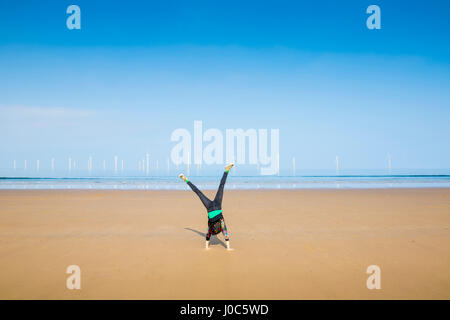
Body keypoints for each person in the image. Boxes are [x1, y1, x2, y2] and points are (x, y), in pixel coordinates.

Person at [179, 163, 234, 250]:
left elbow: (208, 236)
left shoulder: (210, 229)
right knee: (221, 186)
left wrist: (206, 247)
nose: (215, 226)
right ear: (217, 230)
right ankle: (226, 170)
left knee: (198, 192)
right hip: (217, 205)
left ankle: (185, 179)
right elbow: (225, 234)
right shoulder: (222, 225)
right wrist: (228, 248)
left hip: (210, 207)